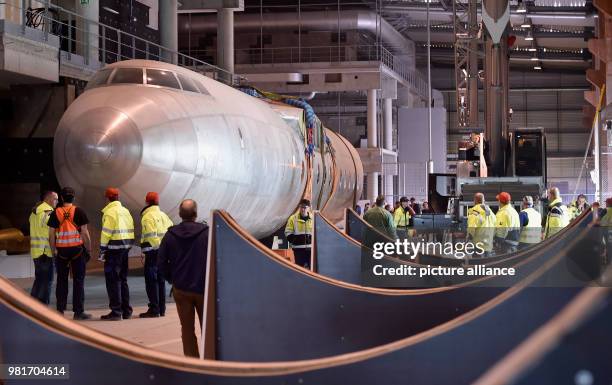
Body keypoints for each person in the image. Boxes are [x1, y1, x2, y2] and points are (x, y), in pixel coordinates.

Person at [157, 199, 209, 358]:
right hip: (203, 288)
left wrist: (172, 279)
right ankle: (210, 361)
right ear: (196, 214)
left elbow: (160, 262)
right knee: (207, 328)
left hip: (181, 289)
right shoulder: (207, 233)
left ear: (179, 214)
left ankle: (192, 363)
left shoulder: (170, 235)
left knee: (187, 329)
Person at [47, 187, 92, 320]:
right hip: (77, 251)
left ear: (61, 198)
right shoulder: (79, 212)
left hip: (61, 252)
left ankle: (60, 310)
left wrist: (53, 251)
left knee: (61, 280)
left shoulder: (56, 213)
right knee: (78, 281)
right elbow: (85, 233)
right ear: (73, 197)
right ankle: (78, 312)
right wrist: (88, 249)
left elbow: (51, 235)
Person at [100, 187, 135, 321]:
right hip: (125, 249)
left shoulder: (109, 212)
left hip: (113, 250)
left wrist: (102, 250)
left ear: (107, 198)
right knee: (123, 279)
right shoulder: (125, 211)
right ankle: (126, 311)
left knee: (113, 280)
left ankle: (116, 311)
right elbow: (131, 229)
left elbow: (106, 233)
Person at [139, 192, 173, 318]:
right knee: (161, 280)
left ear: (147, 202)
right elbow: (171, 232)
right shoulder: (164, 216)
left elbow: (151, 236)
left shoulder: (147, 217)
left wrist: (150, 250)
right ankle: (161, 309)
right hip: (163, 253)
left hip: (153, 253)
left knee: (151, 281)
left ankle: (154, 309)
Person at [29, 190, 58, 304]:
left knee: (39, 280)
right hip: (46, 252)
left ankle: (31, 306)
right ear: (49, 199)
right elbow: (51, 235)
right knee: (47, 282)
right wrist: (54, 251)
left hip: (36, 252)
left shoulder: (34, 213)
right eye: (55, 199)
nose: (57, 201)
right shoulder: (49, 213)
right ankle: (42, 309)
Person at [285, 199, 313, 268]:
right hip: (298, 250)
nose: (303, 209)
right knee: (299, 269)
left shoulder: (313, 218)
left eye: (305, 207)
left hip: (311, 250)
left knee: (311, 270)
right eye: (301, 207)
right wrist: (295, 240)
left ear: (309, 208)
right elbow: (288, 232)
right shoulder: (293, 218)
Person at [467, 193, 496, 257]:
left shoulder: (475, 211)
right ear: (484, 200)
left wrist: (468, 238)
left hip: (479, 245)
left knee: (478, 265)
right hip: (489, 245)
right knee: (488, 265)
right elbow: (495, 226)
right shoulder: (491, 212)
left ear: (475, 200)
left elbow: (471, 227)